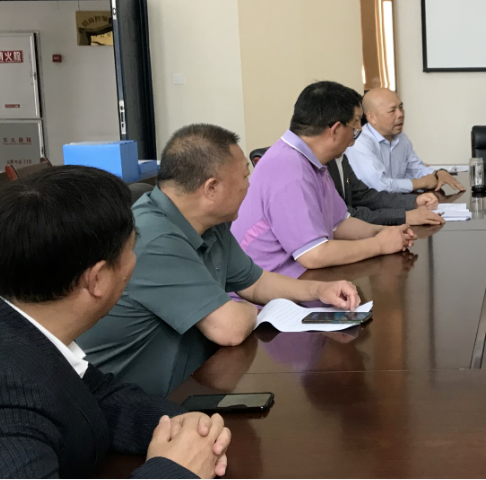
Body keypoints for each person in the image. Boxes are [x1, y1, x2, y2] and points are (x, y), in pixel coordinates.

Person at [80, 124, 363, 397]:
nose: (249, 186)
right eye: (244, 177)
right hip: (133, 404)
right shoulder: (154, 238)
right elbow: (229, 329)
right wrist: (251, 310)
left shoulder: (209, 222)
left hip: (194, 381)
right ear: (211, 188)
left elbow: (255, 283)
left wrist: (318, 290)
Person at [0, 166, 232, 479]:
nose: (135, 262)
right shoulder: (9, 395)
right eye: (132, 250)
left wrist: (185, 427)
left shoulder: (28, 328)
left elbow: (98, 397)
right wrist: (175, 470)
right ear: (97, 279)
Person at [232, 81, 415, 278]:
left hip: (300, 278)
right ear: (335, 130)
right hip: (267, 288)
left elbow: (339, 223)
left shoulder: (312, 161)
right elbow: (314, 254)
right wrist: (379, 245)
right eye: (355, 125)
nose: (357, 134)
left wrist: (382, 232)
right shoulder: (289, 169)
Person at [326, 92, 444, 226]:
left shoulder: (339, 157)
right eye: (356, 123)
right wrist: (403, 216)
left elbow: (364, 196)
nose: (359, 129)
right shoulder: (316, 167)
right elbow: (344, 216)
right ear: (336, 129)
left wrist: (413, 202)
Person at [345, 88, 466, 193]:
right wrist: (421, 183)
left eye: (401, 108)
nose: (400, 114)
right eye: (392, 111)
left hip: (399, 202)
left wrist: (438, 173)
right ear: (372, 117)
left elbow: (416, 168)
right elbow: (379, 185)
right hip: (372, 208)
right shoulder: (360, 142)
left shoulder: (401, 138)